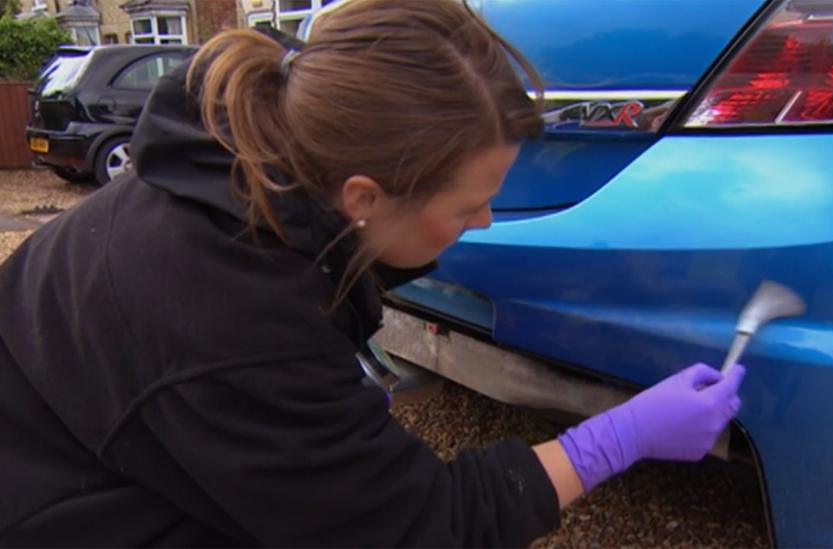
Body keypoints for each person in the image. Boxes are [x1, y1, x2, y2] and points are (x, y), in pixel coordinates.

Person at [0, 0, 746, 546]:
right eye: (471, 204)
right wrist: (617, 437)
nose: (484, 220)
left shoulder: (236, 162)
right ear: (363, 194)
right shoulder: (234, 320)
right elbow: (420, 527)